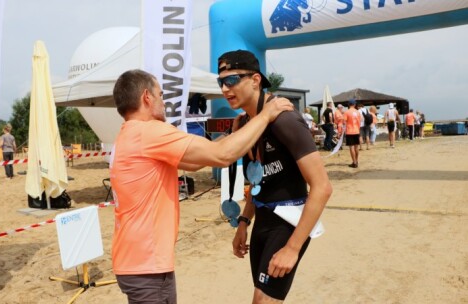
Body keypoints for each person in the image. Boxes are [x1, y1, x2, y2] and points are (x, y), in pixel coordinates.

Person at [109, 68, 293, 303]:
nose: (164, 103)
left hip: (135, 261)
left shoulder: (129, 134)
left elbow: (194, 162)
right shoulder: (149, 132)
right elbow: (223, 156)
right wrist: (265, 115)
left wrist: (231, 133)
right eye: (161, 95)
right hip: (147, 265)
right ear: (147, 97)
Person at [217, 50, 332, 303]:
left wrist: (293, 248)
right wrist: (244, 222)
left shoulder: (284, 119)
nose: (225, 88)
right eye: (221, 82)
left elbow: (322, 187)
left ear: (255, 80)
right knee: (262, 297)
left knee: (263, 300)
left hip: (288, 222)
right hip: (263, 221)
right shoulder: (243, 124)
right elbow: (257, 180)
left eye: (233, 80)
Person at [344, 99, 361, 168]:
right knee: (356, 147)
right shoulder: (357, 112)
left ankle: (354, 162)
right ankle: (356, 161)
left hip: (349, 131)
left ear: (348, 104)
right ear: (354, 104)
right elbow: (359, 122)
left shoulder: (347, 112)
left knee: (351, 147)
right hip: (356, 130)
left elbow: (344, 122)